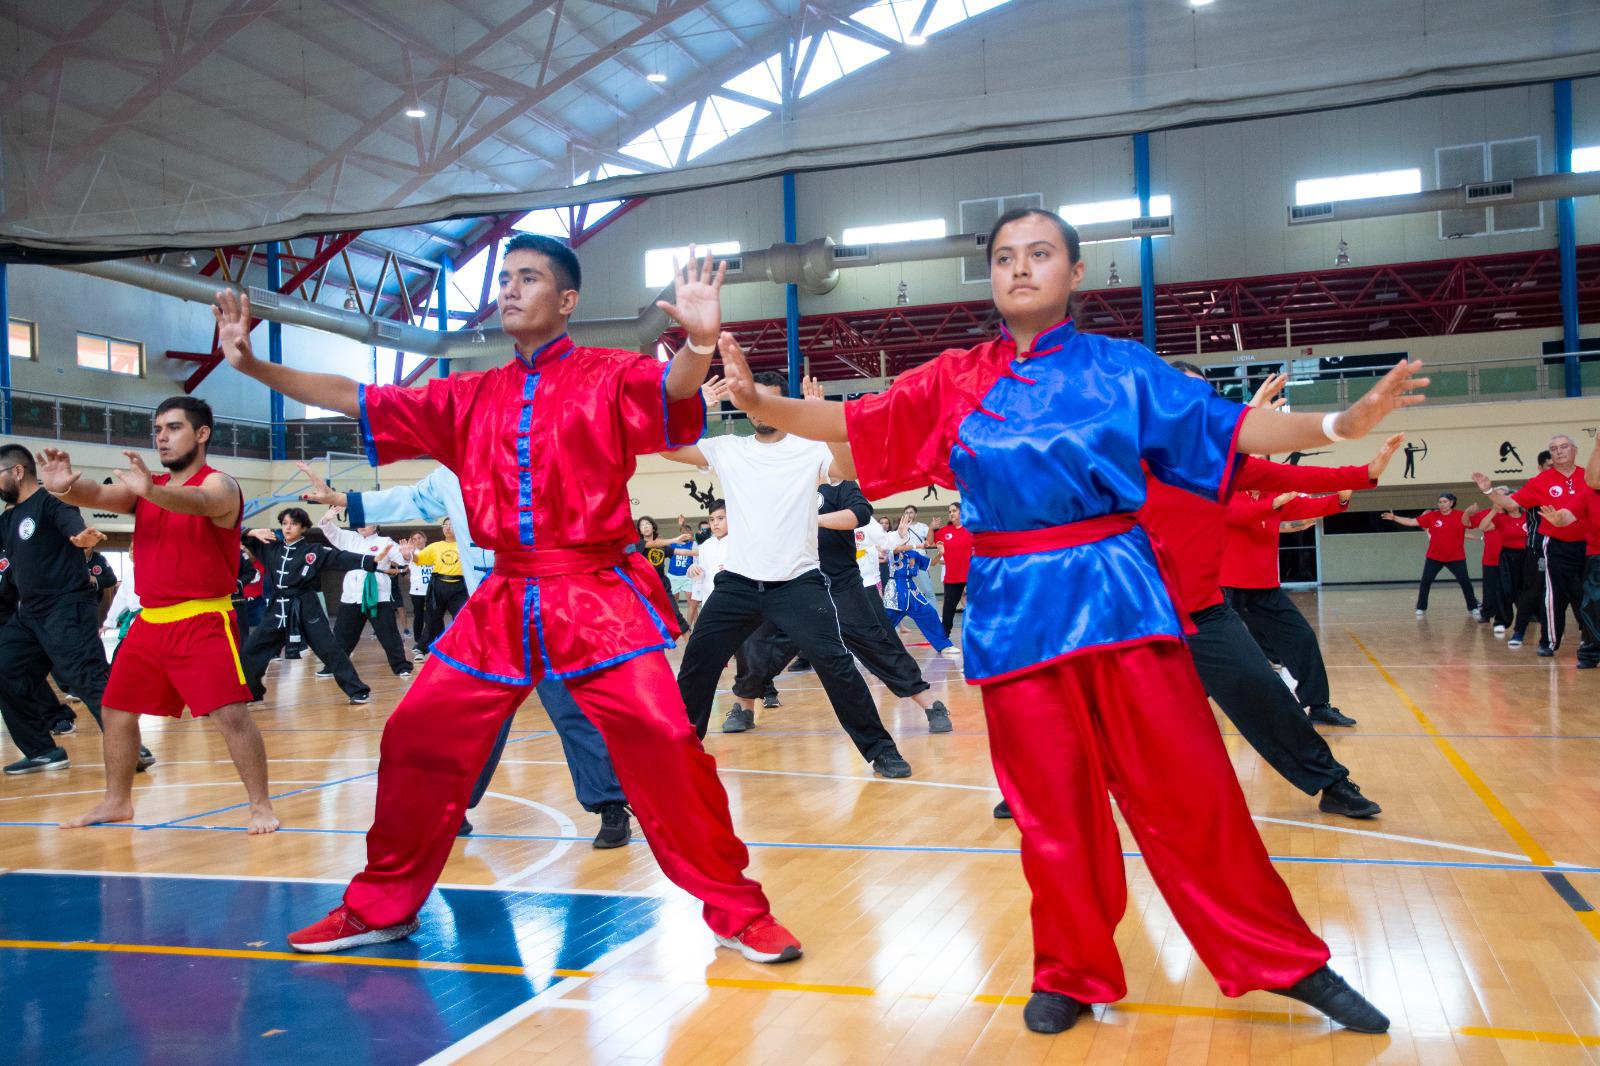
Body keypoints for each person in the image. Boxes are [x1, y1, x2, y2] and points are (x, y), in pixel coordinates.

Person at [712, 207, 1417, 1035]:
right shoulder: (954, 378)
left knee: (1191, 789)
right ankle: (1073, 969)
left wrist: (1339, 424)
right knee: (1050, 808)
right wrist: (760, 400)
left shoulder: (1124, 369)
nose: (1019, 268)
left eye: (1039, 253)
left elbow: (1229, 427)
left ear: (1075, 272)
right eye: (1005, 256)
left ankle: (1285, 961)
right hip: (1013, 608)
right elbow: (852, 424)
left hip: (1119, 594)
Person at [215, 234, 800, 963]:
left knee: (664, 739)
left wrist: (700, 340)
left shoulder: (610, 374)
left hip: (593, 591)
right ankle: (380, 906)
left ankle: (738, 912)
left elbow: (676, 391)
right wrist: (253, 364)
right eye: (505, 278)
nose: (510, 289)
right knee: (415, 735)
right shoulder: (468, 395)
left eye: (529, 278)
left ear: (567, 300)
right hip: (504, 595)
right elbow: (358, 397)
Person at [298, 462, 633, 846]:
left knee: (570, 709)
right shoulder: (450, 472)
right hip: (491, 620)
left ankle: (609, 804)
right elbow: (408, 498)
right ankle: (455, 803)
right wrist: (341, 499)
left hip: (550, 611)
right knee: (479, 718)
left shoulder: (540, 455)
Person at [1133, 365, 1392, 821]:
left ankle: (1332, 783)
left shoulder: (1224, 463)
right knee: (1082, 707)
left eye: (1202, 395)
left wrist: (1364, 473)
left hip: (1204, 614)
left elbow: (1288, 479)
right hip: (1131, 616)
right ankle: (1032, 791)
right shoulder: (1125, 454)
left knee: (1265, 694)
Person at [34, 402, 277, 832]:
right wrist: (64, 488)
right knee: (115, 711)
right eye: (158, 429)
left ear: (201, 434)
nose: (162, 436)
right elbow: (97, 494)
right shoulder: (151, 486)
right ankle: (116, 801)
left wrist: (151, 491)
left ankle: (261, 806)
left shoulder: (221, 484)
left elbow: (199, 502)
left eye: (174, 427)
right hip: (150, 622)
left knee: (231, 716)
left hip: (203, 619)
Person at [665, 367, 914, 779]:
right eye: (752, 400)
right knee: (697, 662)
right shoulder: (728, 448)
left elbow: (848, 469)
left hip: (798, 584)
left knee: (837, 666)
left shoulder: (809, 448)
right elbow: (668, 447)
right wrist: (694, 407)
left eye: (769, 400)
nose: (760, 410)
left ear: (783, 405)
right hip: (738, 583)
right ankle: (679, 754)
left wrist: (825, 418)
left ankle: (880, 750)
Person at [726, 458, 955, 735]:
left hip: (840, 584)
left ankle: (930, 703)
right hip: (790, 583)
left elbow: (859, 513)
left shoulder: (840, 485)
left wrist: (811, 520)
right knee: (756, 641)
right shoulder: (780, 485)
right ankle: (744, 707)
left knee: (877, 643)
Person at [0, 444, 155, 775]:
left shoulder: (50, 500)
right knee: (5, 667)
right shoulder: (9, 519)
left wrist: (82, 537)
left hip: (66, 606)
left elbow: (72, 522)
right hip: (30, 614)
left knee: (86, 677)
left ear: (16, 471)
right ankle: (42, 751)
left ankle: (132, 747)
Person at [1222, 486, 1356, 727]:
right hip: (1226, 587)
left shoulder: (1272, 496)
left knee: (1302, 638)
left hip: (1265, 588)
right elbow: (1237, 515)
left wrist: (1340, 498)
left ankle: (1318, 705)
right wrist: (1275, 504)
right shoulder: (1225, 492)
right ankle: (1184, 709)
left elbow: (1309, 507)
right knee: (1219, 650)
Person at [1474, 435, 1592, 660]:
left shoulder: (1589, 476)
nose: (1559, 452)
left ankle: (1590, 639)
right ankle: (1548, 641)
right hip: (1555, 544)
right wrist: (1489, 491)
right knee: (1552, 595)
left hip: (1588, 545)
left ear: (1575, 450)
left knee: (1588, 596)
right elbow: (1511, 503)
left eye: (1564, 447)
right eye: (1554, 449)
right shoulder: (1541, 481)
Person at [240, 507, 374, 705]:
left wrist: (373, 562)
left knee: (329, 649)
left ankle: (358, 690)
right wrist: (251, 531)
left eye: (293, 524)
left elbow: (342, 558)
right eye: (284, 523)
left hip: (306, 608)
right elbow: (239, 536)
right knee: (250, 650)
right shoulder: (271, 547)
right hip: (278, 609)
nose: (288, 528)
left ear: (303, 528)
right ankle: (253, 691)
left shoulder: (313, 551)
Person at [315, 508, 412, 678]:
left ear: (375, 525)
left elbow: (400, 558)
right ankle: (333, 667)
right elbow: (331, 533)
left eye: (366, 522)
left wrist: (405, 556)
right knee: (342, 634)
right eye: (358, 522)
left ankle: (401, 666)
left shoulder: (385, 541)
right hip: (352, 594)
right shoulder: (349, 538)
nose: (361, 526)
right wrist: (327, 519)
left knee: (388, 633)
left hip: (378, 594)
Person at [1381, 494, 1482, 617]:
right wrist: (1394, 518)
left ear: (1451, 502)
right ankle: (1420, 608)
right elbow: (1412, 521)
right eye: (1439, 502)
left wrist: (1471, 513)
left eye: (1444, 501)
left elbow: (1471, 524)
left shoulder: (1460, 515)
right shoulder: (1432, 516)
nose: (1441, 504)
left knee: (1465, 581)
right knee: (1426, 581)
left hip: (1456, 557)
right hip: (1434, 556)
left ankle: (1473, 607)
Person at [883, 546, 957, 657]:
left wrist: (940, 553)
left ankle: (944, 645)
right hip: (896, 592)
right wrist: (917, 545)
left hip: (912, 592)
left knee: (929, 613)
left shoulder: (914, 554)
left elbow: (931, 563)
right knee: (884, 622)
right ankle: (867, 647)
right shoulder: (892, 552)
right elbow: (895, 551)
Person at [412, 520, 467, 655]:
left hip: (460, 587)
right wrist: (408, 554)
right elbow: (418, 559)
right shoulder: (435, 546)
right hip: (439, 585)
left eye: (451, 525)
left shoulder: (466, 545)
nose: (448, 528)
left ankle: (462, 648)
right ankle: (423, 647)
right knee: (432, 617)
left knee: (462, 617)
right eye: (445, 525)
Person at [635, 515, 692, 632]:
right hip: (645, 587)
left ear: (653, 527)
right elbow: (651, 544)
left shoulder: (663, 546)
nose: (645, 527)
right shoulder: (639, 544)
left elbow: (680, 551)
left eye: (647, 524)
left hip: (662, 585)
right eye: (642, 525)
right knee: (648, 621)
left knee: (677, 617)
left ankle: (692, 648)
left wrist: (700, 552)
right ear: (639, 530)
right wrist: (674, 540)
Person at [933, 502, 972, 637]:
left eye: (954, 510)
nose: (951, 513)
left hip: (972, 576)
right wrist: (931, 529)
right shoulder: (945, 531)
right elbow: (929, 542)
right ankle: (944, 638)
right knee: (948, 609)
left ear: (962, 512)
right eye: (949, 511)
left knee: (979, 607)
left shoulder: (972, 529)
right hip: (953, 576)